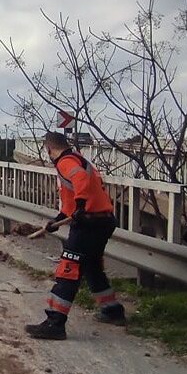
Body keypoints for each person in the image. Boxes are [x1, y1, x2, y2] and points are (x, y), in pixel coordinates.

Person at [25, 131, 126, 340]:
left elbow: (79, 180)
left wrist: (80, 205)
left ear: (48, 149)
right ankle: (112, 311)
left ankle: (55, 323)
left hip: (89, 223)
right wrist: (59, 218)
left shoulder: (65, 163)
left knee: (68, 270)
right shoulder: (78, 159)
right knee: (92, 267)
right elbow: (72, 199)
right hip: (102, 221)